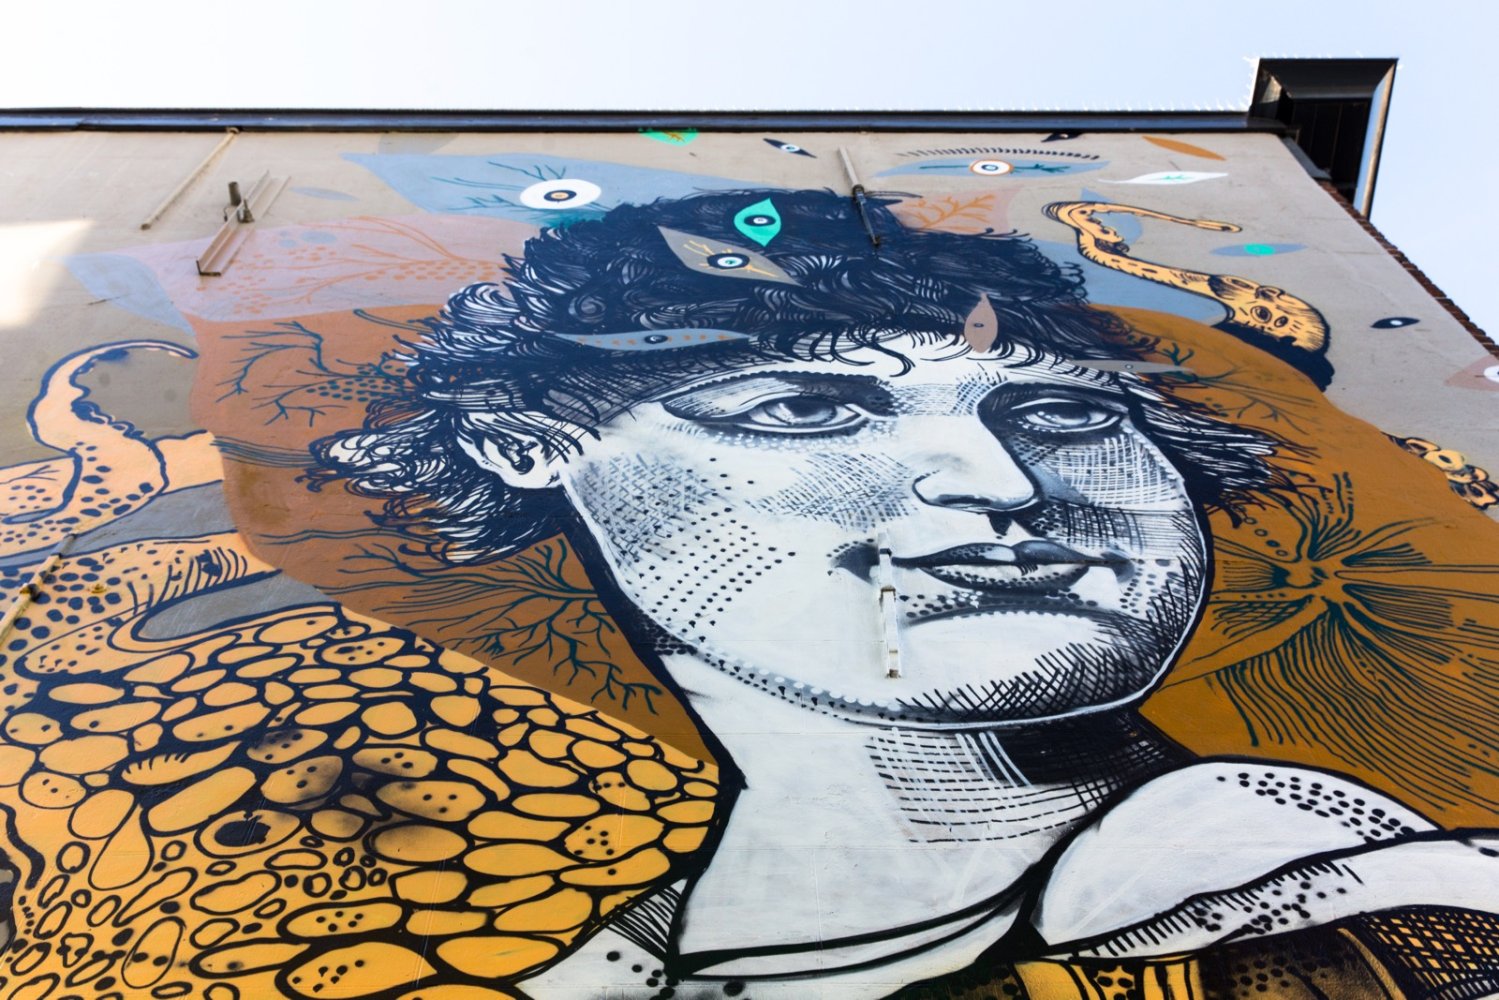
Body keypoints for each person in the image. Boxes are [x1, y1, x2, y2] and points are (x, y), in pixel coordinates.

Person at [315, 189, 1499, 999]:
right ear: (524, 442)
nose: (1001, 483)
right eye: (806, 408)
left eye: (1065, 411)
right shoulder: (617, 968)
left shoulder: (1309, 905)